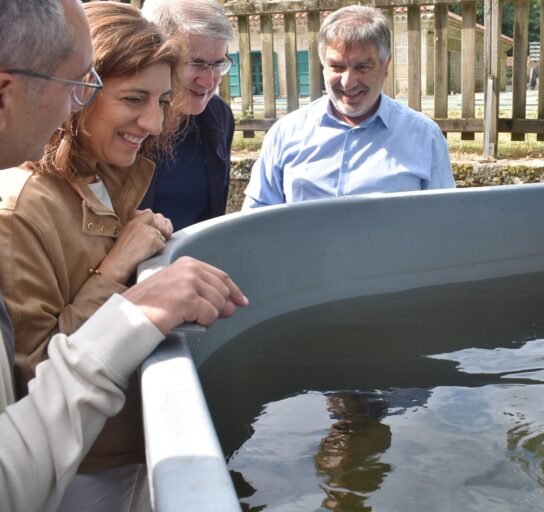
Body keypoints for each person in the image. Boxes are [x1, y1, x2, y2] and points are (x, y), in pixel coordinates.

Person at [0, 1, 247, 510]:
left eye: (161, 101)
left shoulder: (113, 177)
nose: (155, 123)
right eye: (135, 98)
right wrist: (118, 273)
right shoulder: (22, 209)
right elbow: (32, 386)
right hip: (76, 472)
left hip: (128, 446)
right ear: (83, 92)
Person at [241, 5, 455, 209]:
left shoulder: (425, 138)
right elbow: (255, 222)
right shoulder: (285, 135)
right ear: (322, 64)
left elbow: (443, 225)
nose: (347, 83)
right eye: (336, 66)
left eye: (362, 67)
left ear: (385, 66)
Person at [139, 0, 236, 230]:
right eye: (196, 63)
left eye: (217, 65)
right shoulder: (124, 121)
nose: (209, 81)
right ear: (155, 52)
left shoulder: (218, 116)